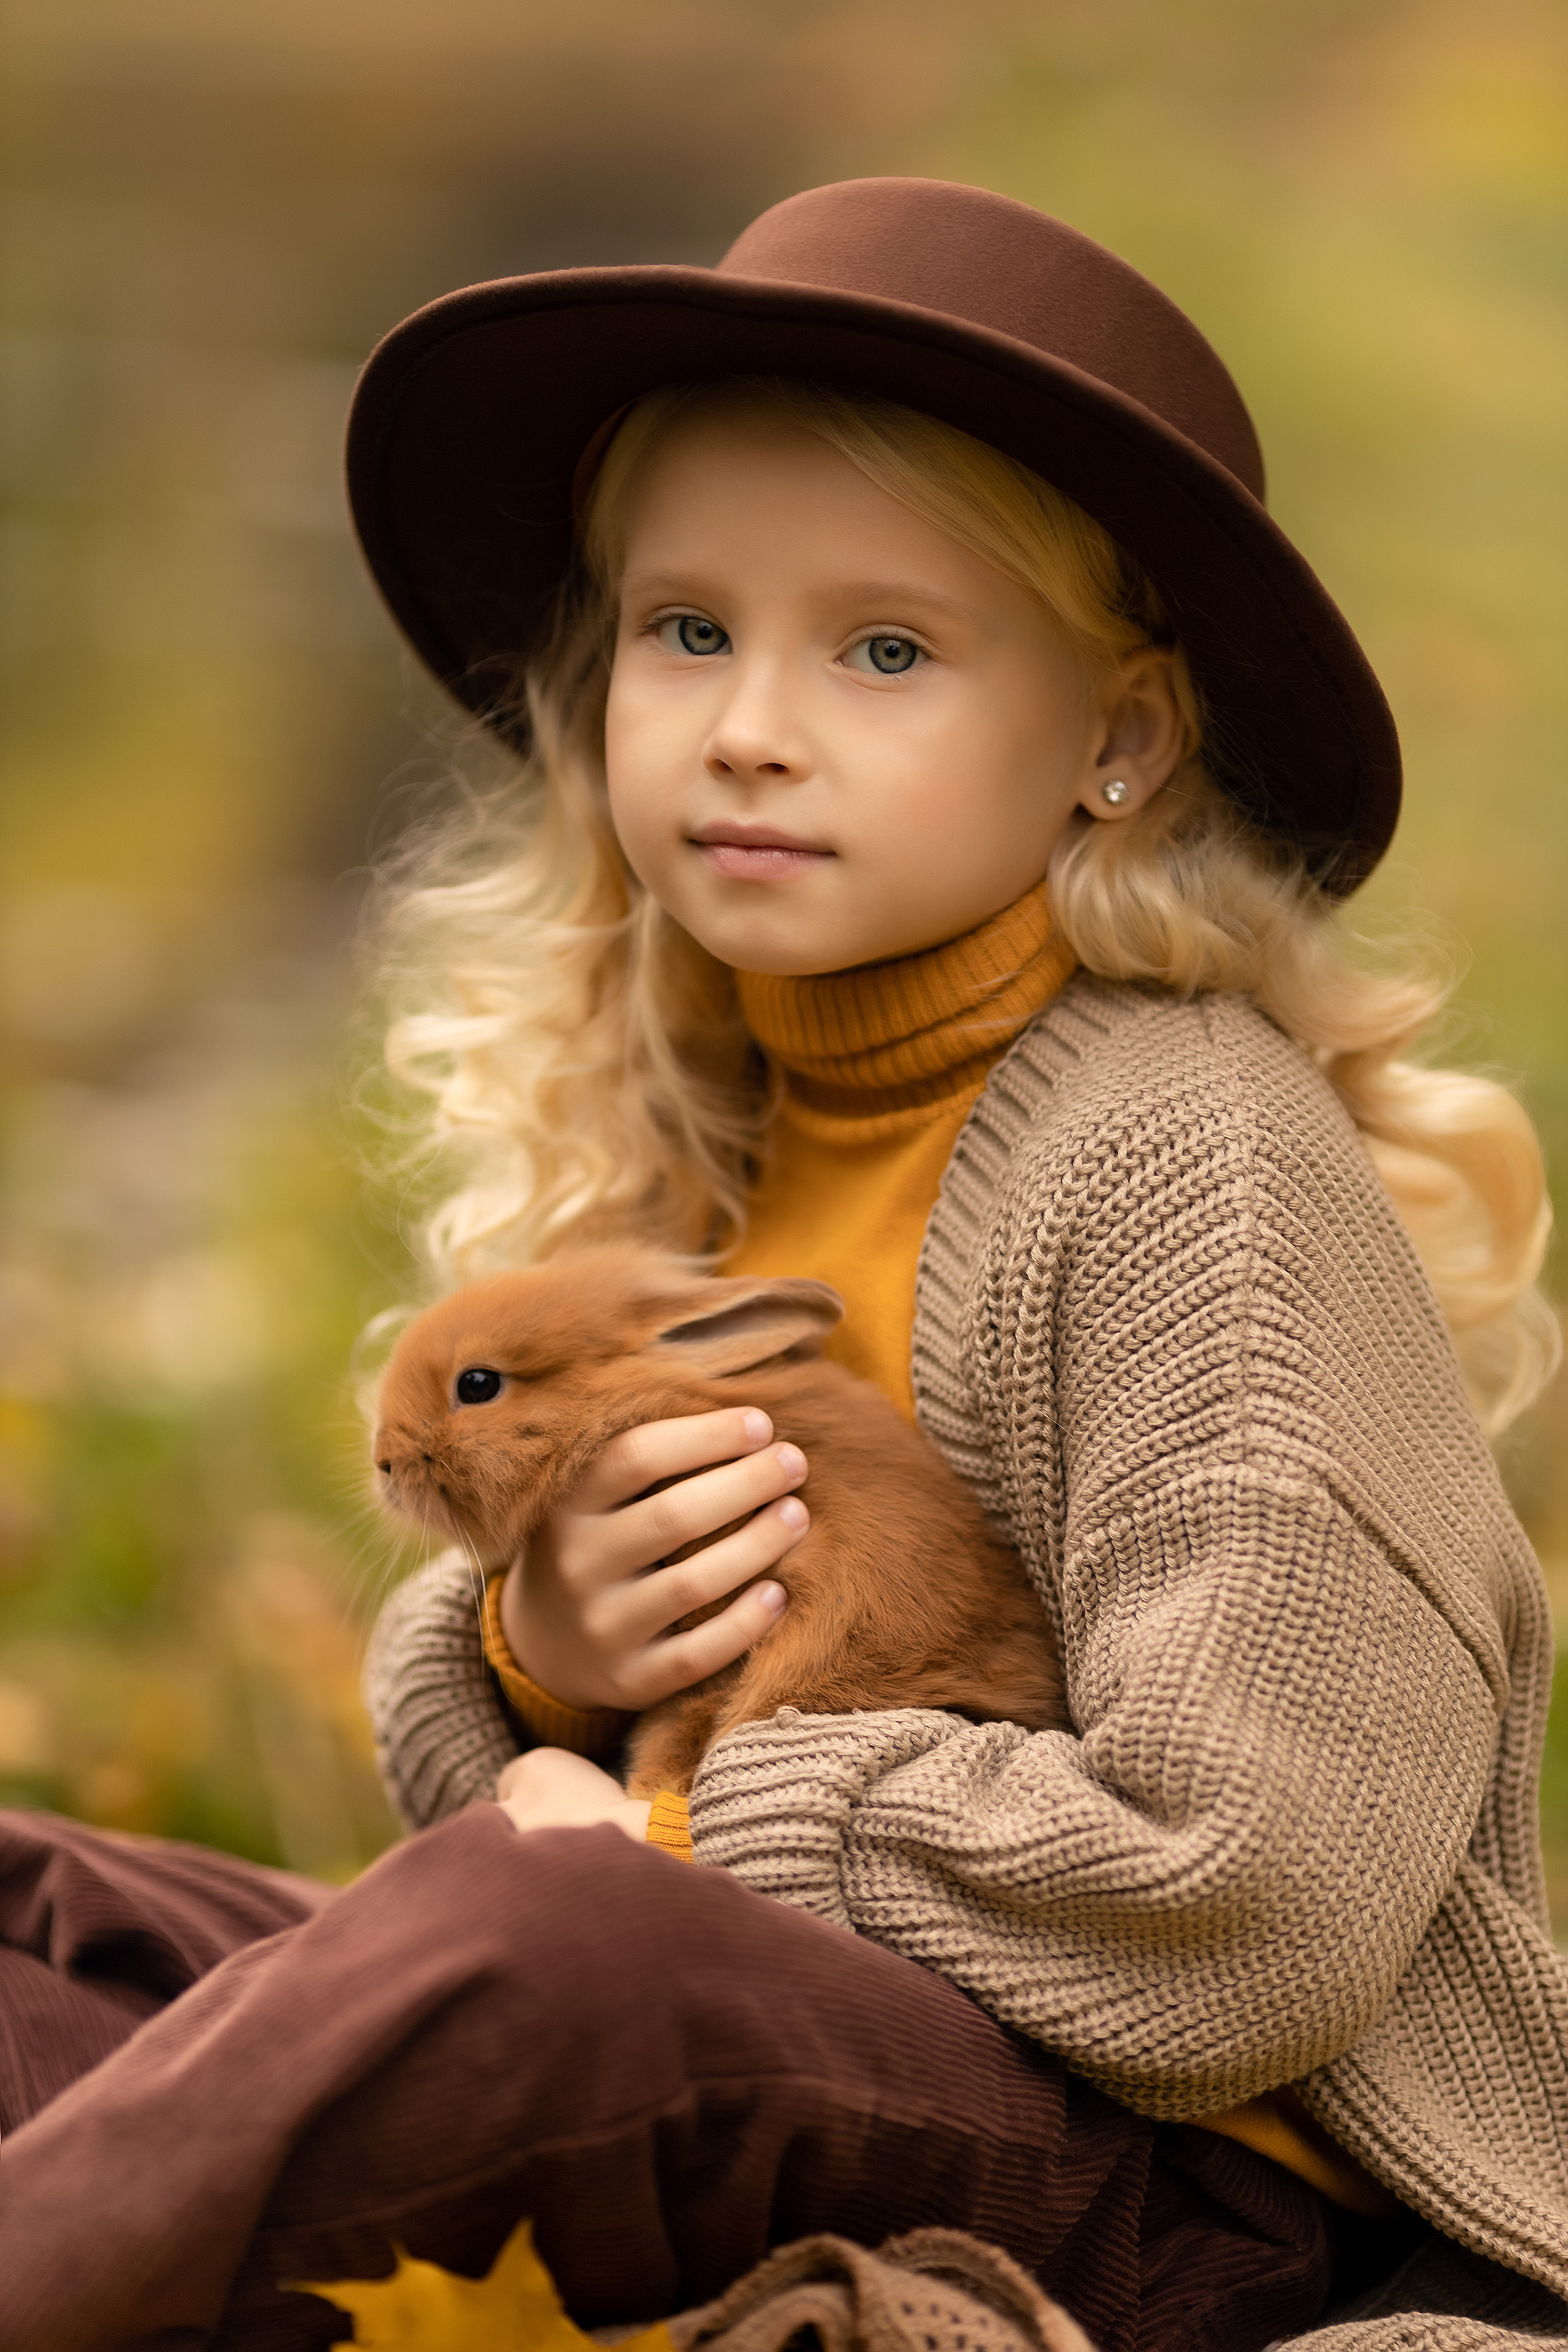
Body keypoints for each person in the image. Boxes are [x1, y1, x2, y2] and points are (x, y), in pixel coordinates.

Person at [0, 177, 1562, 2352]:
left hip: (1198, 2186)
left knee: (562, 1968)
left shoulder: (1189, 1171)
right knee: (33, 1903)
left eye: (888, 651)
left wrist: (684, 1828)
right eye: (688, 629)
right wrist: (538, 1652)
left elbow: (1258, 1896)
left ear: (1119, 740)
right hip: (786, 2026)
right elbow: (564, 1788)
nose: (749, 725)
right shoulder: (698, 1118)